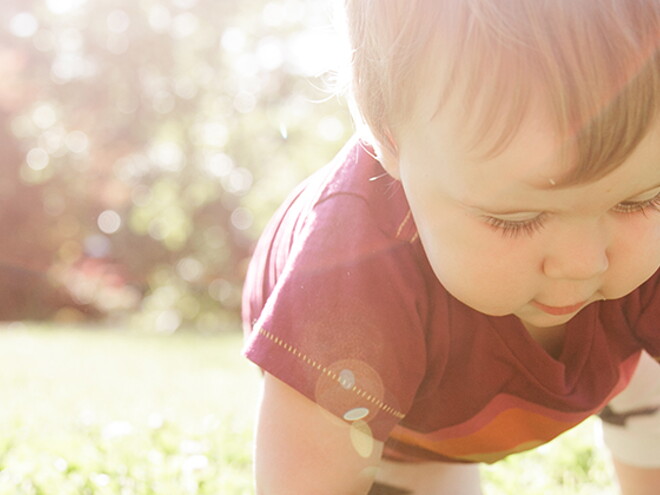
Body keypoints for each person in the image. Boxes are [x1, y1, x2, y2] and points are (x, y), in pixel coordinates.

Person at [242, 0, 660, 493]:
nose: (583, 264)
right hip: (396, 419)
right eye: (516, 219)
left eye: (641, 202)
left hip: (617, 366)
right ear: (389, 139)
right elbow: (308, 481)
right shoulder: (349, 273)